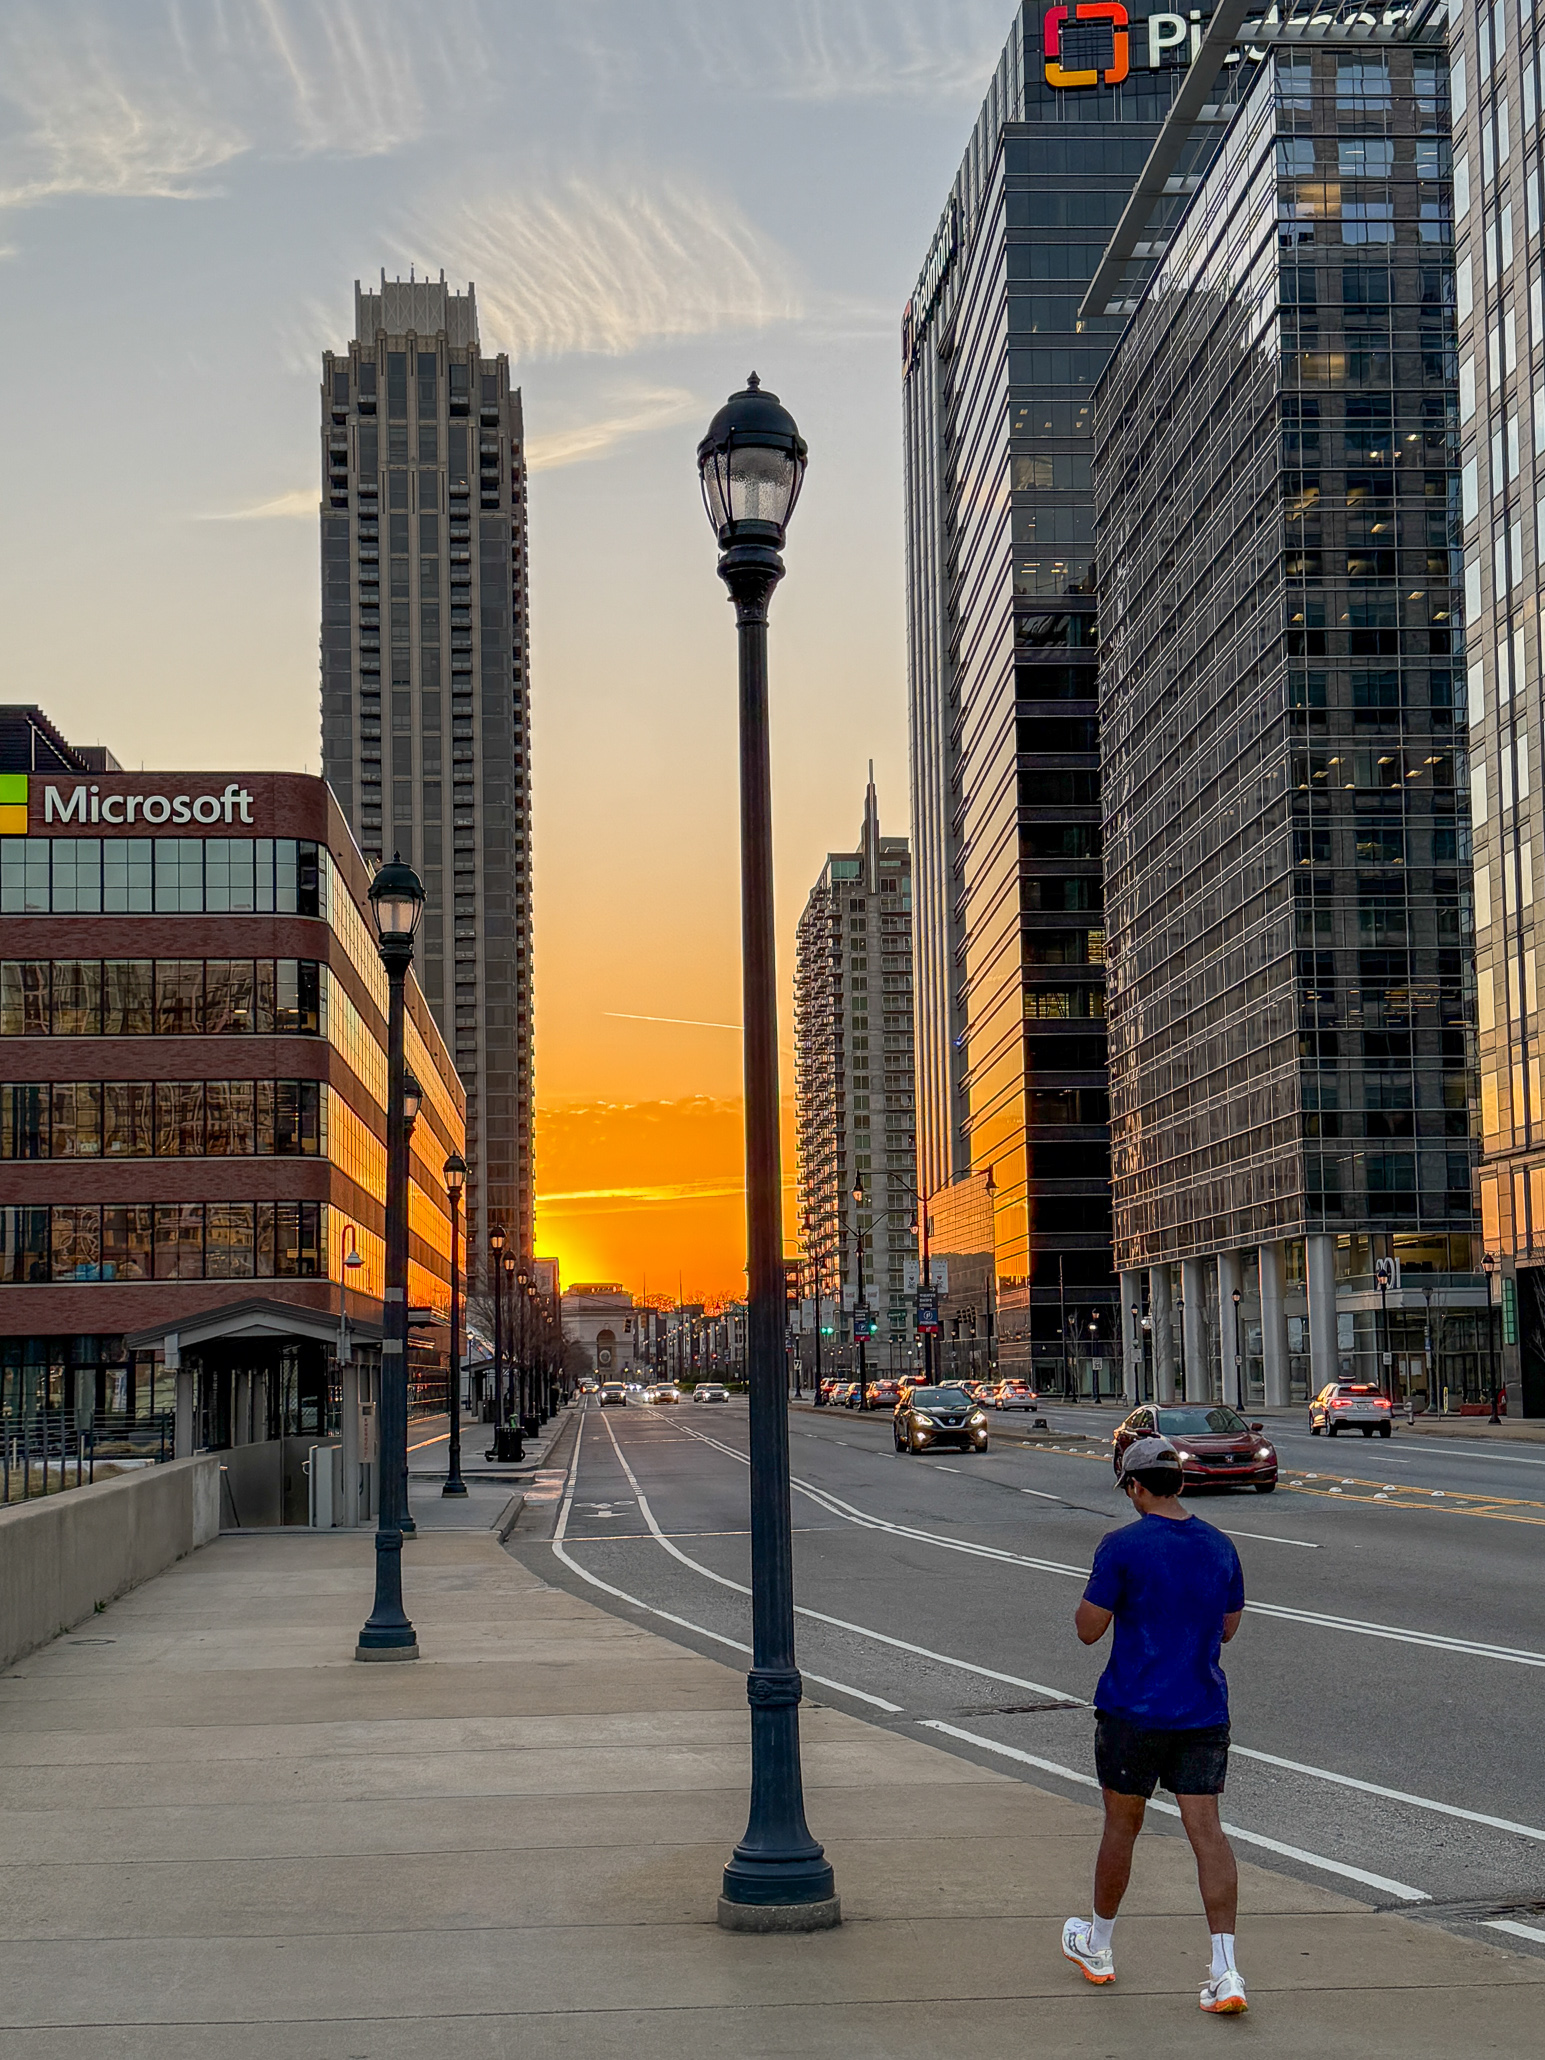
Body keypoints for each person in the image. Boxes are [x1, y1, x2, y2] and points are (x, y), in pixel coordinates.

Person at [1061, 1436, 1248, 2015]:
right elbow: (1228, 1629)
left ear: (1136, 1487)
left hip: (1133, 1711)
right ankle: (1225, 1969)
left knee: (1122, 1825)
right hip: (1201, 1709)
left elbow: (1088, 1629)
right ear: (1182, 1483)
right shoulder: (1220, 1547)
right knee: (1207, 1831)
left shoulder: (1122, 1546)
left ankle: (1099, 1945)